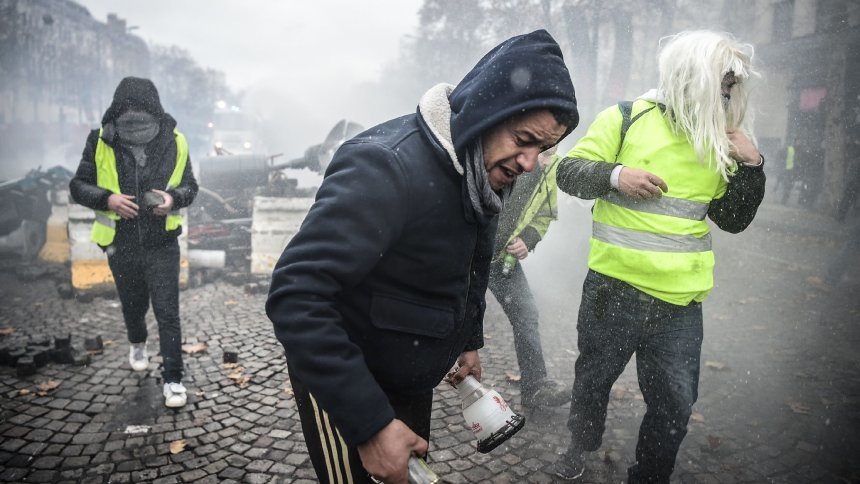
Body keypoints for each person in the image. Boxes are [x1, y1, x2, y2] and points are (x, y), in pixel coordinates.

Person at [266, 30, 578, 484]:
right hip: (347, 378)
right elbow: (296, 295)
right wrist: (369, 424)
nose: (529, 163)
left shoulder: (482, 169)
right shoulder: (386, 165)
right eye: (523, 139)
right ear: (488, 112)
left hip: (411, 375)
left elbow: (473, 262)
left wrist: (467, 339)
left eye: (542, 150)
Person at [549, 31, 765, 482]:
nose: (728, 93)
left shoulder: (720, 139)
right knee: (593, 380)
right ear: (693, 75)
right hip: (613, 289)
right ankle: (579, 446)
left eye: (732, 86)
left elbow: (732, 219)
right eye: (722, 82)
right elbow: (568, 172)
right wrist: (615, 174)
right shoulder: (626, 118)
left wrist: (752, 166)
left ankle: (650, 474)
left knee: (675, 402)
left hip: (680, 304)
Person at [69, 77, 198, 408]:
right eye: (129, 107)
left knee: (168, 312)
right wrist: (108, 199)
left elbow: (190, 187)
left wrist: (172, 199)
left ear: (153, 108)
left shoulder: (175, 140)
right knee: (133, 305)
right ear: (118, 108)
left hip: (162, 243)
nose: (135, 113)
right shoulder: (100, 139)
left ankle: (173, 379)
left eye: (141, 108)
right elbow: (78, 185)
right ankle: (137, 341)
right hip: (119, 243)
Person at [487, 146, 570, 409]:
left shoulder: (552, 168)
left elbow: (545, 214)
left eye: (552, 152)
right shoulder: (504, 151)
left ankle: (535, 387)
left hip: (502, 260)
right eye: (543, 151)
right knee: (452, 317)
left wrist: (527, 240)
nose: (545, 161)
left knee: (526, 314)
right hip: (469, 253)